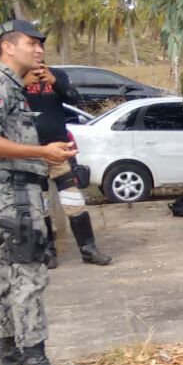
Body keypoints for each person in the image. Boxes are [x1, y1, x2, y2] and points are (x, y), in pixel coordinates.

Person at [0, 19, 76, 365]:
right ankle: (34, 363)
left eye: (41, 43)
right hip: (12, 192)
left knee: (1, 272)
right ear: (8, 47)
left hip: (3, 190)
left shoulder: (9, 84)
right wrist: (42, 152)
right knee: (29, 274)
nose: (39, 49)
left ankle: (7, 357)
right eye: (31, 43)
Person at [23, 62, 112, 266]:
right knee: (38, 204)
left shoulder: (56, 75)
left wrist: (55, 82)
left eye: (39, 49)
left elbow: (74, 98)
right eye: (32, 48)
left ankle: (88, 250)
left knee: (74, 200)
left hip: (59, 148)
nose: (37, 54)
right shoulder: (13, 79)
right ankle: (47, 252)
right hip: (29, 151)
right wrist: (22, 83)